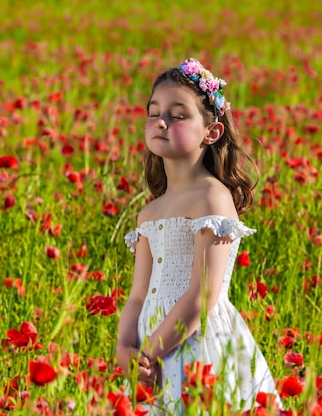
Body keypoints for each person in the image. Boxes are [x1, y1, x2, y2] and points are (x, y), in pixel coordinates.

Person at [116, 58, 282, 414]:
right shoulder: (151, 211)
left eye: (178, 115)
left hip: (198, 346)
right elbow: (138, 295)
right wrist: (124, 348)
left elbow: (203, 295)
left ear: (212, 132)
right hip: (151, 350)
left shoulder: (212, 197)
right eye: (154, 112)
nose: (161, 121)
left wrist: (151, 351)